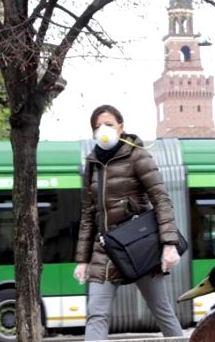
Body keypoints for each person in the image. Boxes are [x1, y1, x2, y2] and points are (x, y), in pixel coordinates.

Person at [73, 104, 183, 340]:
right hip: (105, 249)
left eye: (109, 125)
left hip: (138, 246)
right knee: (96, 314)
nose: (103, 130)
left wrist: (169, 244)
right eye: (98, 126)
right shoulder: (92, 163)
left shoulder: (138, 156)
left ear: (121, 127)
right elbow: (88, 214)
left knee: (161, 310)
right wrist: (82, 259)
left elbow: (161, 200)